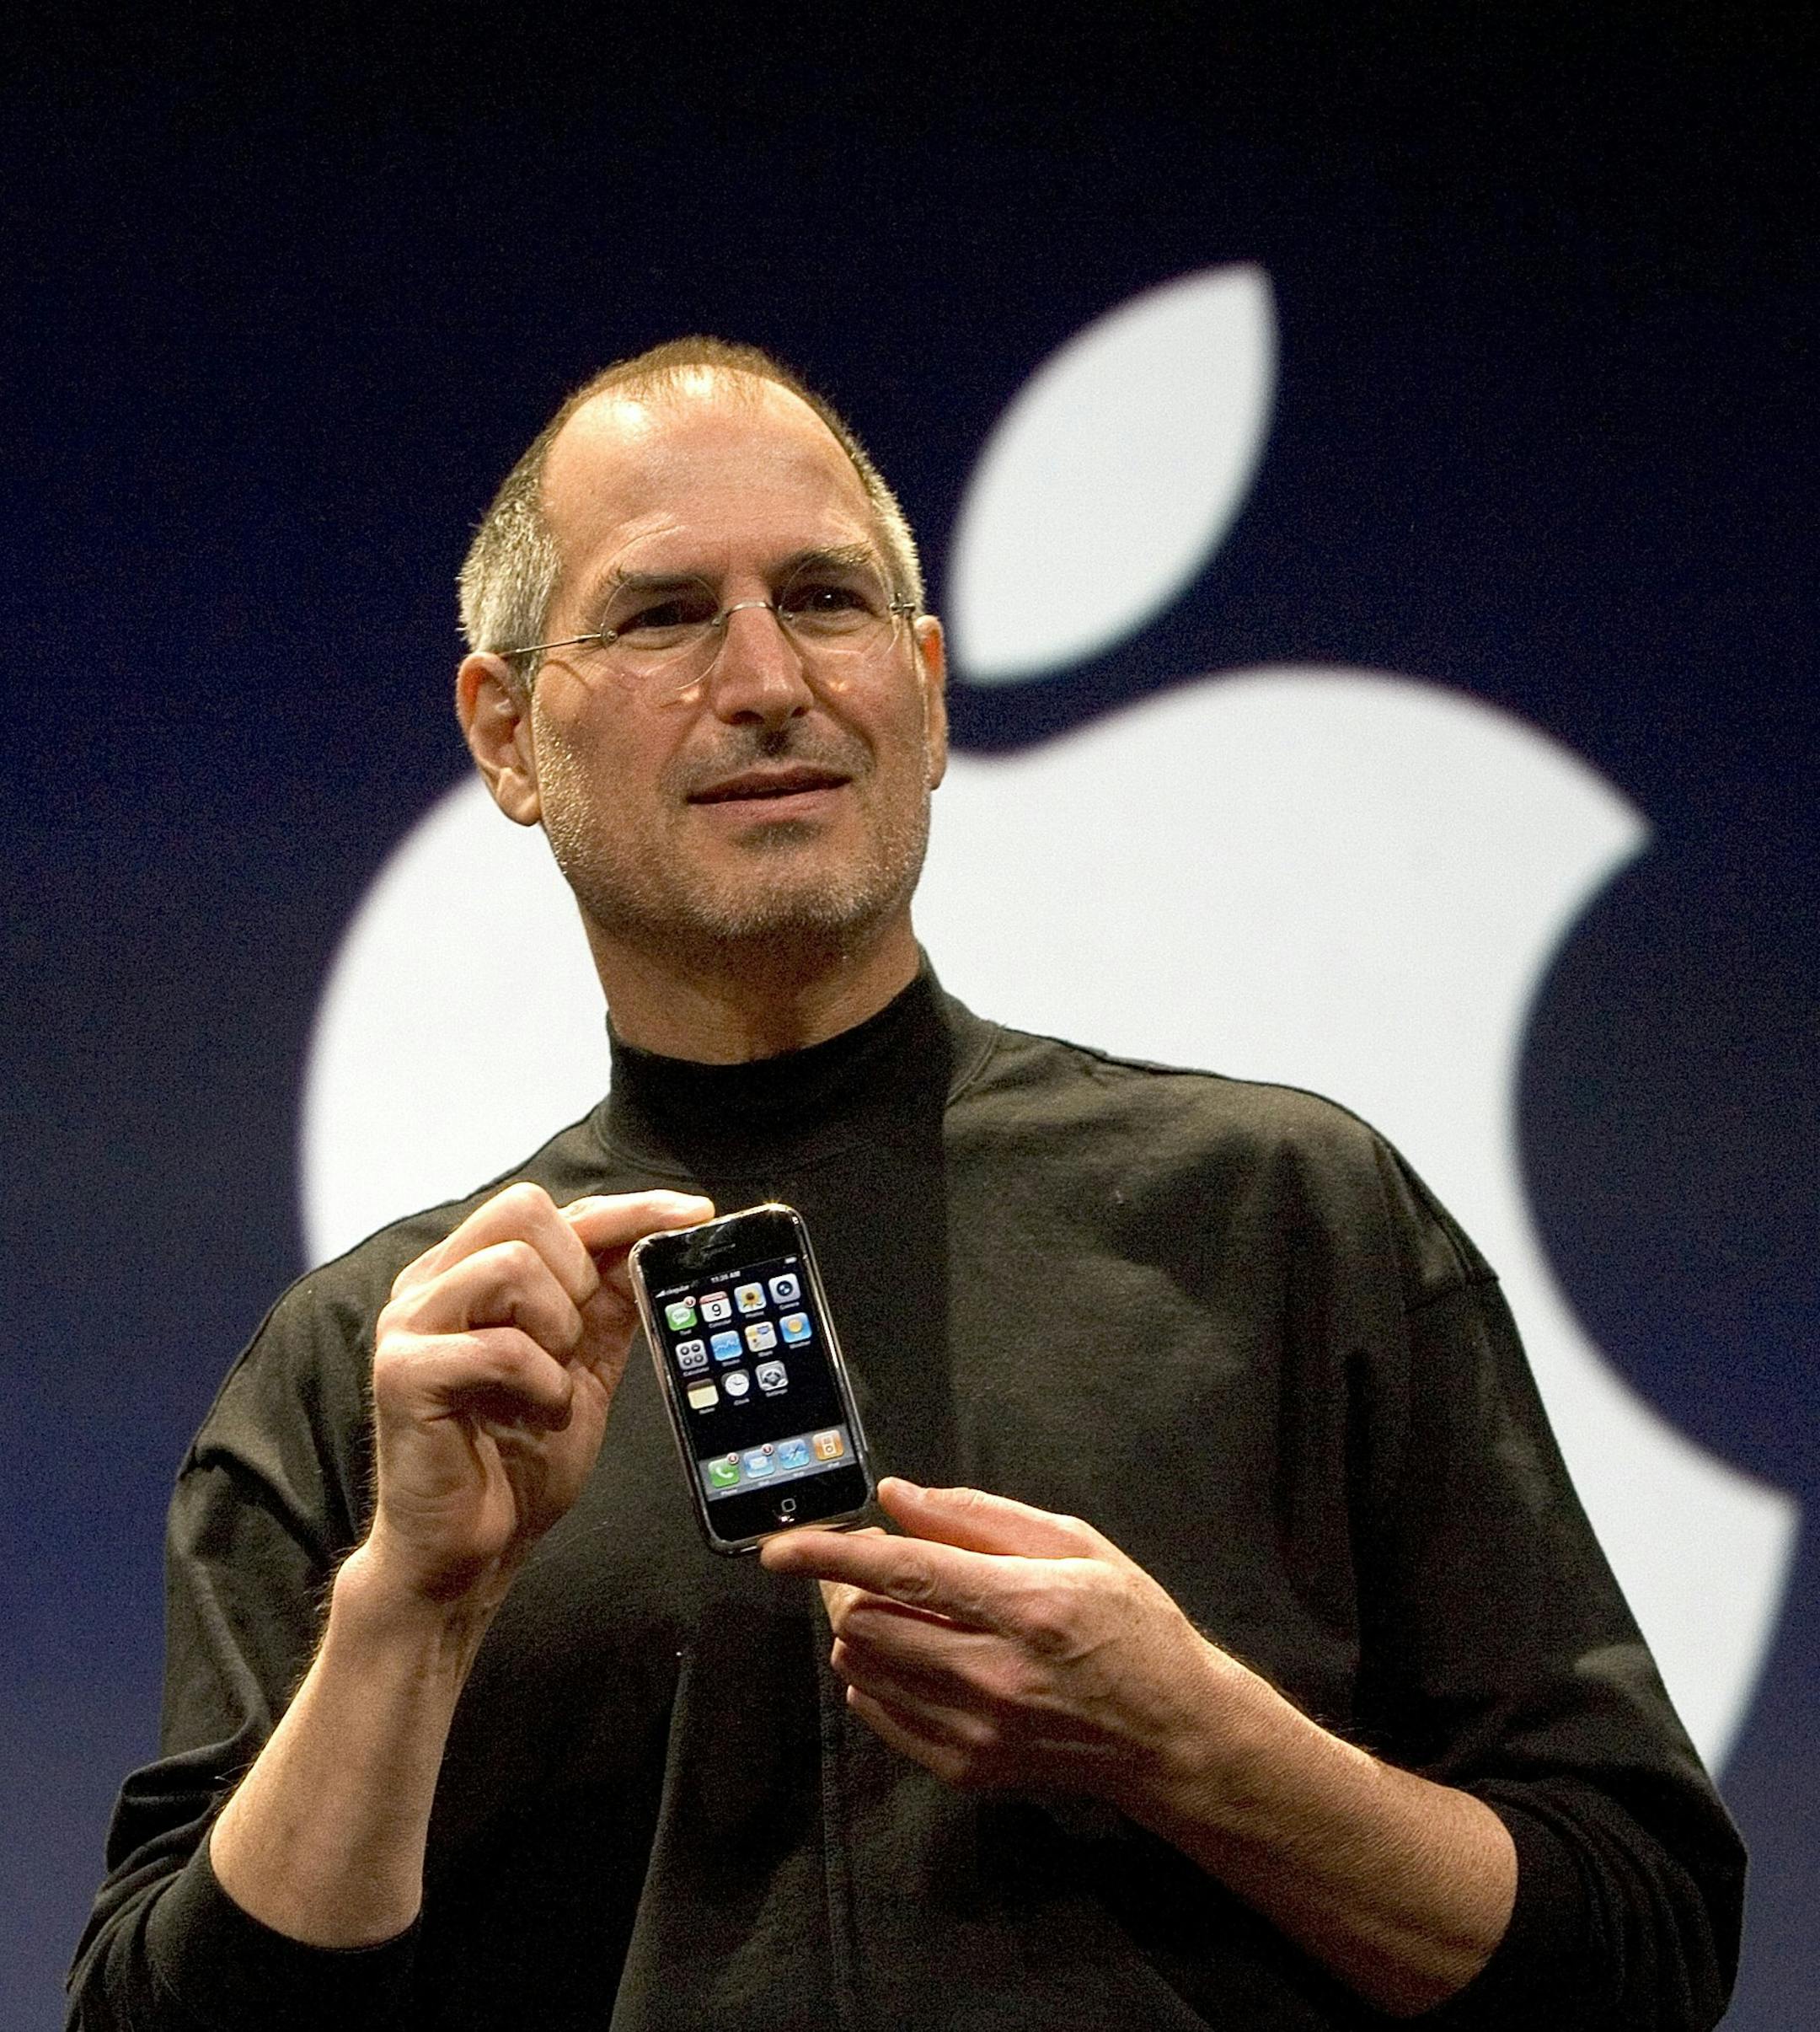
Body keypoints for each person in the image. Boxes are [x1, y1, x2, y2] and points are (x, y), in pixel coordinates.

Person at [70, 340, 1743, 2030]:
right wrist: (405, 1621)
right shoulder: (384, 1370)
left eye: (827, 598)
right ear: (507, 732)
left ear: (928, 693)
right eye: (662, 616)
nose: (767, 679)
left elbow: (1645, 1954)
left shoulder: (1288, 1215)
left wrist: (1201, 1748)